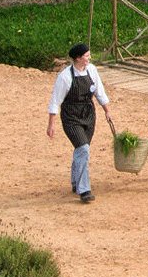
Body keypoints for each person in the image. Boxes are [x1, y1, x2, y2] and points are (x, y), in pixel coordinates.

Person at [47, 43, 114, 204]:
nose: (89, 58)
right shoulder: (65, 77)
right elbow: (55, 101)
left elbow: (99, 91)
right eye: (86, 55)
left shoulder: (92, 70)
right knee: (83, 148)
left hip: (89, 115)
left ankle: (76, 182)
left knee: (81, 150)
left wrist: (107, 110)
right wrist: (51, 124)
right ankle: (84, 190)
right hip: (71, 117)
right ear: (78, 58)